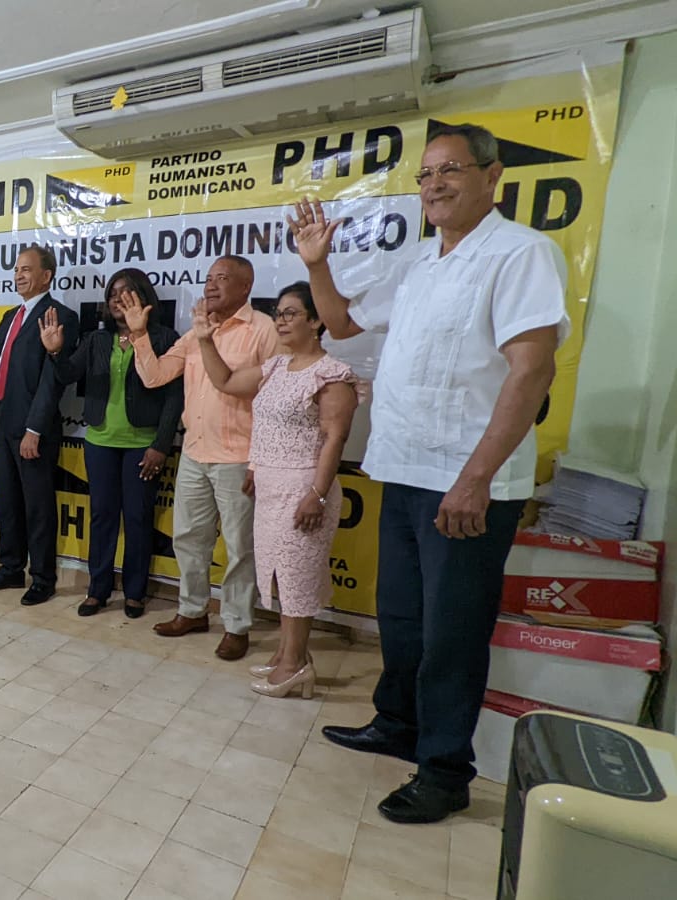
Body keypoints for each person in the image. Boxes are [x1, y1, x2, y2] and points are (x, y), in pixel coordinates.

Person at [293, 122, 568, 824]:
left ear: (492, 175)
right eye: (425, 174)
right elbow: (344, 327)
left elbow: (532, 370)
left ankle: (445, 770)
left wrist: (477, 477)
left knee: (453, 632)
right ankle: (399, 724)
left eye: (450, 170)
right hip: (405, 469)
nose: (434, 184)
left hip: (467, 484)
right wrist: (317, 264)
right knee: (405, 617)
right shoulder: (419, 262)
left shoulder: (521, 253)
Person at [192, 283, 359, 697]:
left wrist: (317, 495)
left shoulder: (331, 374)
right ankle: (291, 652)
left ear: (317, 320)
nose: (281, 321)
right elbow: (227, 381)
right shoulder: (275, 367)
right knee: (281, 576)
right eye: (279, 313)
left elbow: (335, 438)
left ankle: (293, 664)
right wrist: (204, 340)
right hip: (268, 487)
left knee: (298, 578)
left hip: (304, 488)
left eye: (291, 313)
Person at [126, 255, 278, 661]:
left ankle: (237, 625)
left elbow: (275, 401)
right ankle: (192, 611)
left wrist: (259, 460)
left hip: (239, 457)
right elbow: (155, 376)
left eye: (222, 279)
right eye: (209, 279)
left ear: (246, 286)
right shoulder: (197, 330)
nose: (211, 286)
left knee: (239, 548)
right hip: (194, 453)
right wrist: (140, 335)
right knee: (189, 540)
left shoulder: (263, 330)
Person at [38, 268, 184, 618]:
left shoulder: (164, 338)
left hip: (143, 444)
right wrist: (56, 353)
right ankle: (97, 589)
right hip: (100, 441)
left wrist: (161, 446)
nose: (118, 300)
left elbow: (174, 399)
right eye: (113, 295)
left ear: (143, 297)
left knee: (137, 517)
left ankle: (135, 593)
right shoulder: (97, 341)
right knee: (102, 517)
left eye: (127, 292)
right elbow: (69, 376)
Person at [0, 246, 78, 606]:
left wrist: (34, 429)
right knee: (9, 503)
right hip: (3, 422)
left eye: (27, 269)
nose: (18, 275)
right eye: (16, 269)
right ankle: (11, 568)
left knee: (37, 506)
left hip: (34, 429)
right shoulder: (9, 317)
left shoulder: (60, 316)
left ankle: (43, 578)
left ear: (46, 275)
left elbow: (53, 380)